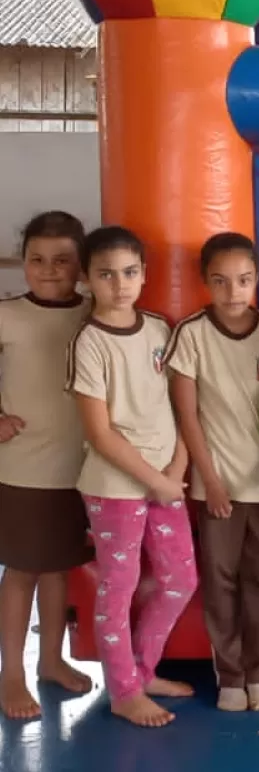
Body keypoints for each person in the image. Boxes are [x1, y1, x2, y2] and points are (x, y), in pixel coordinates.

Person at [66, 225, 197, 728]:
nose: (119, 284)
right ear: (88, 280)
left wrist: (178, 467)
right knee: (117, 588)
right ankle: (122, 690)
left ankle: (142, 671)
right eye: (106, 274)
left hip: (167, 479)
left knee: (180, 578)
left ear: (143, 274)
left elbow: (182, 405)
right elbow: (100, 434)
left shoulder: (160, 330)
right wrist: (156, 480)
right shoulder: (90, 343)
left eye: (129, 272)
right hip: (115, 487)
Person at [166, 233, 259, 713]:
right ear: (205, 282)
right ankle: (231, 673)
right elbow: (189, 416)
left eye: (243, 280)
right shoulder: (192, 333)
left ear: (256, 280)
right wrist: (210, 480)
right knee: (220, 580)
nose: (232, 291)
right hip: (215, 485)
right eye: (220, 282)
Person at [0, 211, 93, 720]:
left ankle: (51, 661)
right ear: (24, 264)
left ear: (81, 266)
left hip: (82, 468)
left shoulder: (95, 311)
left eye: (62, 261)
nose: (49, 270)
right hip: (25, 467)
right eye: (37, 260)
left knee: (59, 569)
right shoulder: (8, 313)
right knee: (22, 571)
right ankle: (11, 673)